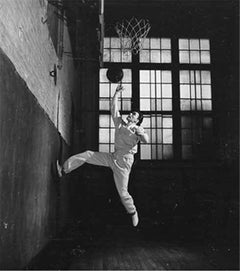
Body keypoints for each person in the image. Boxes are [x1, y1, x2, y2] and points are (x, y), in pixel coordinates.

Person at [57, 84, 149, 227]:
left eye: (134, 115)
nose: (130, 115)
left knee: (123, 192)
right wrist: (117, 93)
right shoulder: (120, 123)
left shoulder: (137, 129)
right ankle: (64, 170)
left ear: (137, 120)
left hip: (124, 162)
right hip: (113, 157)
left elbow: (146, 141)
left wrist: (141, 133)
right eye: (131, 113)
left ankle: (133, 212)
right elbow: (114, 108)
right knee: (88, 154)